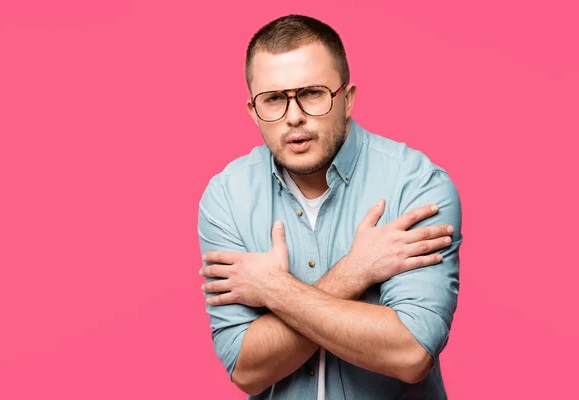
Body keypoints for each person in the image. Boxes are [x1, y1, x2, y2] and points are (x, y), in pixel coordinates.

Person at [197, 14, 463, 400]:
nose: (293, 116)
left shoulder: (416, 185)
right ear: (253, 111)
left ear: (347, 98)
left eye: (312, 93)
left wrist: (273, 289)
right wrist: (356, 271)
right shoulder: (227, 197)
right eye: (273, 99)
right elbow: (247, 370)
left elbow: (410, 354)